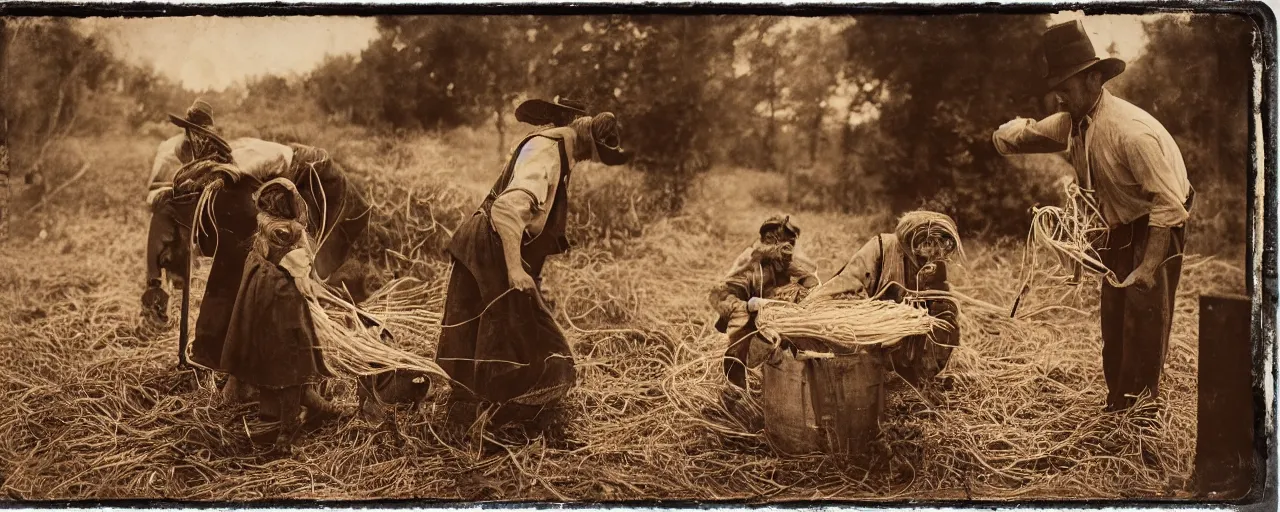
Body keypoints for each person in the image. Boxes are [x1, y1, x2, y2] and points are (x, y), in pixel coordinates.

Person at [991, 20, 1194, 412]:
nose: (1059, 99)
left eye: (1065, 89)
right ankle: (1117, 403)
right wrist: (1006, 135)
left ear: (1094, 79)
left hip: (1157, 222)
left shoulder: (1130, 134)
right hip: (1118, 223)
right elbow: (1024, 136)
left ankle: (1139, 415)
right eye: (1056, 92)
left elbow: (1169, 205)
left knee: (1143, 316)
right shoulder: (1073, 122)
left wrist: (1149, 266)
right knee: (1114, 318)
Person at [434, 97, 632, 432]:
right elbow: (508, 209)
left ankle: (475, 424)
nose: (588, 161)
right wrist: (514, 269)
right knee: (533, 343)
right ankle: (498, 425)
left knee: (482, 334)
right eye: (593, 154)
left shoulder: (554, 149)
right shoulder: (545, 153)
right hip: (491, 244)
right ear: (583, 138)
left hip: (489, 244)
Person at [220, 178, 345, 455]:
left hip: (260, 299)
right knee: (291, 362)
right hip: (282, 304)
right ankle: (287, 432)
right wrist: (326, 298)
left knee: (272, 360)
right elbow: (303, 281)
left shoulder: (264, 224)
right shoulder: (289, 235)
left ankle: (311, 404)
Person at [808, 211, 963, 385]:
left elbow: (942, 306)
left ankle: (918, 375)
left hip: (905, 341)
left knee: (947, 312)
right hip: (869, 333)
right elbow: (844, 286)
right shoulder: (881, 248)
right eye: (927, 244)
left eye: (938, 247)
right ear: (911, 240)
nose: (932, 253)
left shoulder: (934, 262)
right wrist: (878, 318)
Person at [708, 214, 820, 389]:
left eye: (788, 242)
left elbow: (811, 281)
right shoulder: (750, 265)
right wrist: (748, 306)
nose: (784, 247)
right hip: (753, 324)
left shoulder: (788, 263)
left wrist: (805, 290)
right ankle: (741, 395)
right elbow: (722, 295)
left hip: (787, 322)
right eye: (774, 240)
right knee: (737, 355)